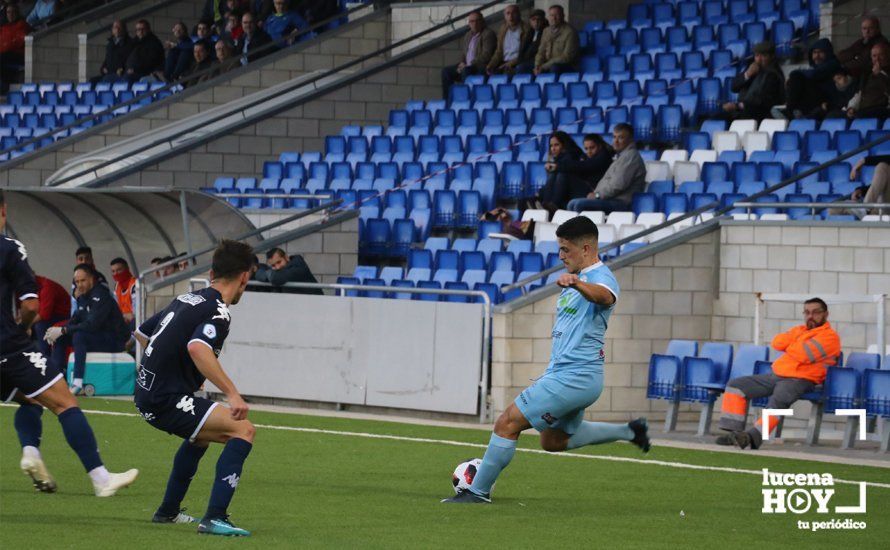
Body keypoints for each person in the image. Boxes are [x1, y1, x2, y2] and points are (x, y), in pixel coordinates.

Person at [442, 216, 649, 504]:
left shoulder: (600, 278)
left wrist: (577, 284)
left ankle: (477, 491)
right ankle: (630, 431)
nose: (561, 256)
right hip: (577, 377)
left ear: (587, 249)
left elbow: (605, 297)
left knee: (506, 423)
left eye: (566, 250)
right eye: (560, 249)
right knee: (552, 441)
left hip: (573, 377)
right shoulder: (577, 280)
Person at [0, 190, 138, 497]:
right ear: (4, 212)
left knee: (31, 399)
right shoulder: (9, 248)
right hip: (7, 346)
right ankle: (101, 478)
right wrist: (21, 331)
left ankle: (31, 453)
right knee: (65, 403)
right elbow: (32, 306)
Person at [132, 239, 256, 536]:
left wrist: (177, 372)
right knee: (243, 430)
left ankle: (167, 512)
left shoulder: (189, 299)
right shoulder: (218, 311)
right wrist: (232, 393)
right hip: (164, 398)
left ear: (213, 272)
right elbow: (198, 348)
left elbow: (141, 332)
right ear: (244, 277)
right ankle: (215, 517)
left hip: (146, 392)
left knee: (200, 436)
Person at [715, 298, 841, 450]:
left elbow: (803, 354)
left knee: (778, 401)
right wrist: (796, 342)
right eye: (807, 312)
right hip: (777, 375)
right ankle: (734, 434)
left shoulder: (829, 337)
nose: (810, 316)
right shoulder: (801, 330)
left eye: (815, 312)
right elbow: (777, 342)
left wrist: (792, 342)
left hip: (801, 380)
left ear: (826, 314)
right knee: (736, 386)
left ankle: (754, 436)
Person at [45, 264, 130, 395]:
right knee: (60, 337)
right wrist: (56, 331)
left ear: (91, 279)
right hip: (97, 337)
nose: (79, 285)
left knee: (79, 335)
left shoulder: (101, 295)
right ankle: (56, 380)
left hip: (115, 341)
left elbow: (92, 324)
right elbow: (74, 320)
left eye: (83, 280)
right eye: (77, 282)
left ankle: (77, 382)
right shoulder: (83, 297)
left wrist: (63, 330)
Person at [567, 123, 646, 214]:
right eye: (614, 137)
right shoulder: (622, 156)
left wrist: (597, 195)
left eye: (620, 138)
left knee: (579, 204)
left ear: (630, 139)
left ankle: (585, 228)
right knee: (572, 203)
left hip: (621, 202)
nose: (615, 141)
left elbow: (618, 185)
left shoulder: (631, 157)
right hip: (610, 199)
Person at [521, 132, 586, 213]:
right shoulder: (558, 159)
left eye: (556, 145)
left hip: (574, 193)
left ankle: (550, 205)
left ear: (564, 145)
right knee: (523, 201)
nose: (553, 148)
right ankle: (545, 204)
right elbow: (552, 183)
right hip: (561, 193)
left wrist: (554, 168)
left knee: (560, 174)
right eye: (551, 146)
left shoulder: (571, 156)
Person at [721, 41, 784, 121]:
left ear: (772, 57)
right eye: (757, 56)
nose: (759, 60)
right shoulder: (752, 69)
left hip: (762, 113)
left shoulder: (773, 74)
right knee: (717, 116)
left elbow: (761, 101)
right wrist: (747, 74)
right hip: (746, 110)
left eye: (764, 56)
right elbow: (734, 87)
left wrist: (737, 106)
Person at [440, 10, 496, 99]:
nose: (474, 24)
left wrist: (469, 64)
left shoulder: (488, 34)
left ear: (482, 21)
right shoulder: (467, 35)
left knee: (466, 70)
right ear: (469, 23)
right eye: (472, 21)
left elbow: (486, 55)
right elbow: (464, 53)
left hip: (479, 66)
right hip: (467, 65)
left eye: (477, 21)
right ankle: (447, 100)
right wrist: (462, 63)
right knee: (446, 71)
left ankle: (465, 99)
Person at [781, 38, 841, 119]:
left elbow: (815, 74)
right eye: (814, 52)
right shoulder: (813, 68)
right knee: (796, 80)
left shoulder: (833, 64)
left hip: (827, 99)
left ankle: (789, 111)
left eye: (820, 52)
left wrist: (794, 73)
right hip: (815, 99)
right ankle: (793, 110)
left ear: (828, 53)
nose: (817, 56)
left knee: (797, 77)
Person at [845, 42, 890, 119]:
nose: (877, 59)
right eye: (874, 56)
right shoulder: (867, 73)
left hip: (882, 108)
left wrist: (880, 75)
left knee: (862, 116)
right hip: (865, 108)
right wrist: (852, 107)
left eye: (881, 55)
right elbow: (859, 93)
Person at [32, 275, 70, 366]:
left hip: (64, 316)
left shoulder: (47, 287)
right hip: (52, 315)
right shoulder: (31, 288)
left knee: (40, 326)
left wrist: (24, 324)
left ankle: (45, 361)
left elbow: (44, 315)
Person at [532, 4, 578, 76]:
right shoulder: (546, 31)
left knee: (554, 67)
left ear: (563, 16)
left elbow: (566, 57)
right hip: (546, 64)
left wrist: (544, 67)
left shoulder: (570, 32)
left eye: (557, 15)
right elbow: (541, 51)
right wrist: (537, 65)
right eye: (551, 15)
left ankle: (552, 87)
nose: (554, 18)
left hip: (565, 65)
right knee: (522, 68)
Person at [254, 247, 322, 294]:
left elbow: (276, 278)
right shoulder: (281, 270)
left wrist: (264, 273)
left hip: (314, 305)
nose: (277, 267)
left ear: (286, 257)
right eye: (273, 265)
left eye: (279, 262)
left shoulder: (298, 266)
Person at [486, 4, 530, 76]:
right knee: (488, 73)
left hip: (517, 62)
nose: (511, 16)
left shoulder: (526, 29)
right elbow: (499, 51)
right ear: (505, 16)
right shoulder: (503, 29)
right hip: (503, 62)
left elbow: (525, 53)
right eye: (508, 13)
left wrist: (510, 63)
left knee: (506, 74)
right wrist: (490, 65)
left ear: (519, 14)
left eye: (514, 13)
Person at [0, 4, 29, 93]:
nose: (11, 14)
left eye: (13, 12)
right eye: (8, 12)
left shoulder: (22, 25)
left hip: (18, 55)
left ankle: (3, 86)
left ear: (17, 13)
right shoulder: (3, 27)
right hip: (5, 54)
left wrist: (5, 46)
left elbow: (16, 43)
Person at [94, 20, 132, 84]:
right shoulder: (110, 43)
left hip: (120, 74)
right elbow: (107, 59)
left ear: (124, 29)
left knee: (107, 80)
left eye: (119, 27)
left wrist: (122, 69)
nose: (117, 29)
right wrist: (103, 68)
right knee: (92, 81)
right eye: (115, 27)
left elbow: (129, 60)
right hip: (108, 73)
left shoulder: (129, 43)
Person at [514, 9, 546, 74]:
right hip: (526, 60)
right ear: (530, 21)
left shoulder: (546, 31)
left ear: (543, 20)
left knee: (521, 68)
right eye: (533, 19)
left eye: (538, 19)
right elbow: (522, 50)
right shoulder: (529, 32)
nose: (536, 22)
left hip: (539, 61)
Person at [110, 257, 138, 329]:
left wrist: (122, 316)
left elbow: (136, 314)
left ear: (127, 269)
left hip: (133, 322)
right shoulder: (117, 286)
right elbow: (115, 308)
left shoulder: (135, 284)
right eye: (113, 271)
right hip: (122, 320)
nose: (116, 274)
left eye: (119, 270)